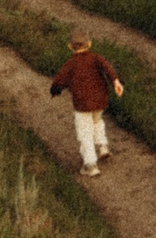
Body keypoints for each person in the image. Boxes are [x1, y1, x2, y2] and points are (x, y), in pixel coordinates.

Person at [48, 31, 122, 175]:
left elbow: (60, 79)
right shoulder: (96, 58)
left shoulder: (71, 63)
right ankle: (102, 145)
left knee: (84, 132)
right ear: (89, 44)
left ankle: (90, 164)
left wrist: (55, 89)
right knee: (97, 121)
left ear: (70, 47)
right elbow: (107, 69)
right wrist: (115, 81)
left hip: (82, 104)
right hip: (99, 101)